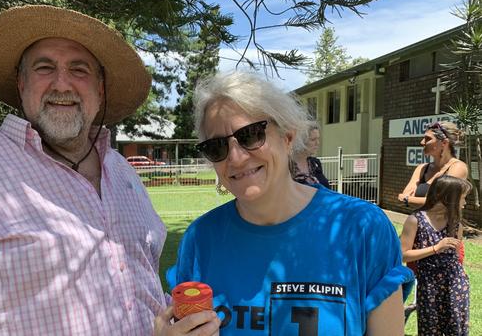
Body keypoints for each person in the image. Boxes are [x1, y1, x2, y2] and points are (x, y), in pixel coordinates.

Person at [0, 5, 219, 335]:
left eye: (79, 69)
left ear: (100, 87)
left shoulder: (123, 173)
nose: (62, 83)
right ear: (21, 83)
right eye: (44, 67)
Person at [168, 71, 412, 335]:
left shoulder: (363, 227)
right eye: (217, 147)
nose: (236, 158)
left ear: (288, 137)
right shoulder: (201, 239)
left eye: (250, 134)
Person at [399, 175, 471, 336]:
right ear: (448, 197)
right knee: (429, 330)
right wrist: (436, 248)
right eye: (462, 198)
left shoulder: (455, 223)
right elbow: (402, 255)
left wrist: (461, 272)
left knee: (457, 330)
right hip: (429, 285)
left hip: (455, 284)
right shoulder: (415, 220)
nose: (465, 203)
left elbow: (457, 254)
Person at [398, 121, 468, 208]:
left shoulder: (457, 168)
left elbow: (440, 203)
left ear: (444, 143)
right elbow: (403, 196)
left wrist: (408, 199)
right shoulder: (422, 168)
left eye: (428, 139)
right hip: (418, 220)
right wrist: (411, 199)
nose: (422, 142)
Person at [292, 122, 330, 189]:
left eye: (318, 139)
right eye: (313, 140)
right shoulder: (286, 165)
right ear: (301, 141)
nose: (317, 143)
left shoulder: (315, 163)